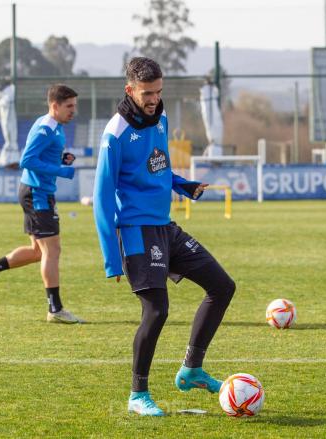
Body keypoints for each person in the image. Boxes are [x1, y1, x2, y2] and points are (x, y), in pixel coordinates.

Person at [93, 57, 236, 416]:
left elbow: (159, 167)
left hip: (165, 227)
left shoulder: (161, 120)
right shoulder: (115, 133)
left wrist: (184, 185)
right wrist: (112, 256)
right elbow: (101, 197)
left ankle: (192, 369)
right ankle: (137, 395)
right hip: (137, 232)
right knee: (156, 311)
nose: (154, 99)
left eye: (158, 91)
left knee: (222, 286)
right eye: (147, 93)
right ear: (130, 90)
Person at [0, 84, 85, 324]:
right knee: (51, 251)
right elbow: (27, 160)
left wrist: (60, 158)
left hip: (37, 192)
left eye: (75, 105)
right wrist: (61, 170)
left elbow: (43, 156)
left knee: (38, 252)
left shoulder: (55, 127)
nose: (73, 111)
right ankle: (55, 309)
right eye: (69, 106)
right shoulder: (45, 128)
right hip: (38, 194)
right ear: (54, 105)